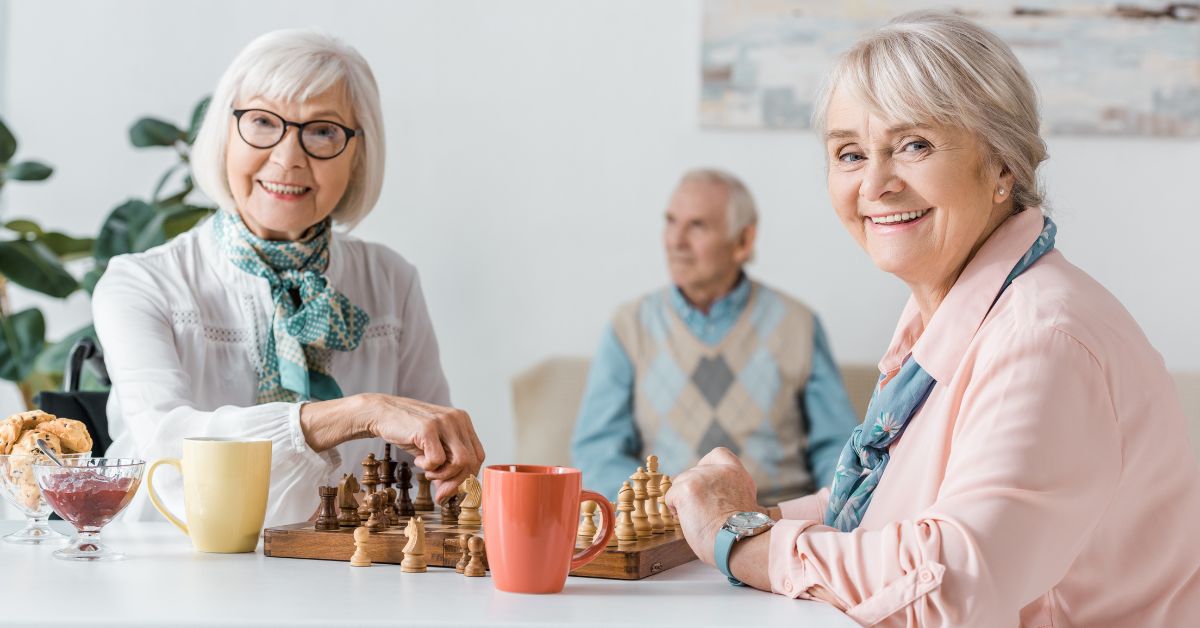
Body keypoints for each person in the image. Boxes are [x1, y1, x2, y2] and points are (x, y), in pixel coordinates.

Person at [665, 12, 1200, 627]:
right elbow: (882, 516)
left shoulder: (1041, 337)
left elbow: (949, 586)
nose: (875, 184)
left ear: (1003, 166)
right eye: (849, 153)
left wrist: (742, 539)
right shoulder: (960, 307)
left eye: (914, 145)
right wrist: (727, 523)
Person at [93, 30, 485, 527]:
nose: (287, 157)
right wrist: (359, 412)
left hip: (351, 579)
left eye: (322, 131)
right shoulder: (143, 283)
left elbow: (427, 471)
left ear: (357, 153)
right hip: (175, 570)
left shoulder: (391, 280)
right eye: (262, 122)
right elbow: (167, 444)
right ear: (225, 131)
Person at [571, 168, 859, 504]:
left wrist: (827, 517)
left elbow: (837, 450)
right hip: (666, 533)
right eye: (670, 221)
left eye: (697, 226)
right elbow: (598, 451)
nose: (675, 241)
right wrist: (656, 515)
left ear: (743, 242)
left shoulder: (799, 324)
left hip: (773, 526)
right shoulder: (629, 325)